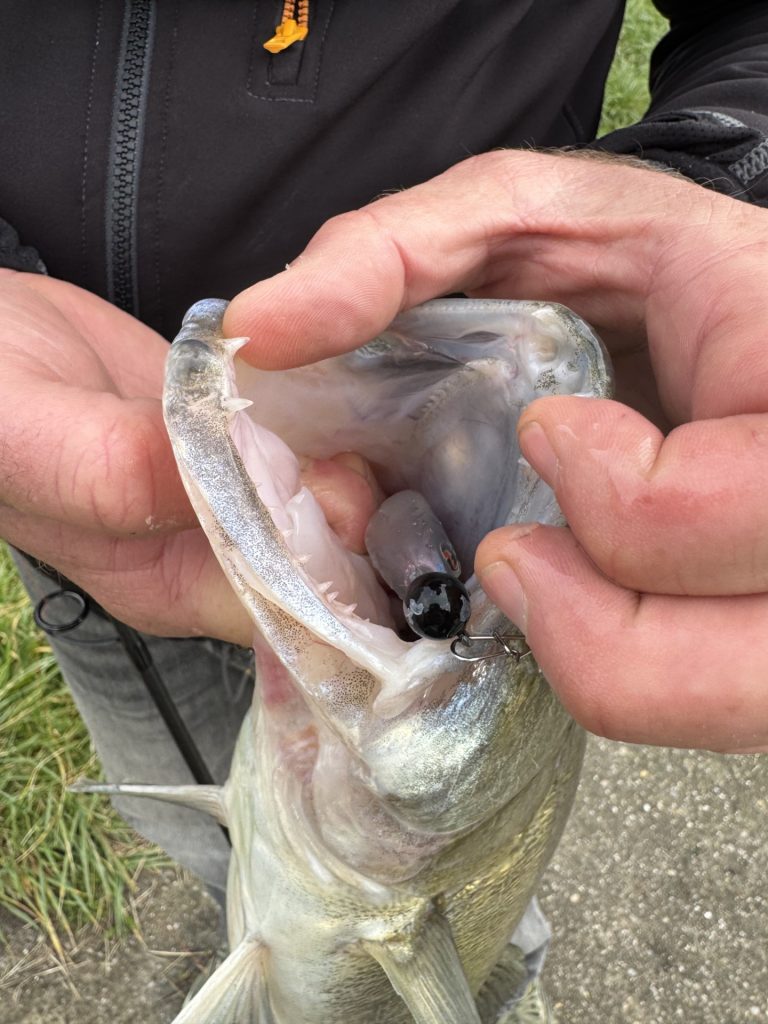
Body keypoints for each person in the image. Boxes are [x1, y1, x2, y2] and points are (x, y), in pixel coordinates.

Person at [1, 0, 768, 1015]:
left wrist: (710, 181)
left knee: (477, 923)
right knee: (201, 823)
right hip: (78, 533)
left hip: (343, 445)